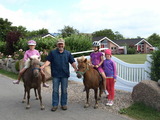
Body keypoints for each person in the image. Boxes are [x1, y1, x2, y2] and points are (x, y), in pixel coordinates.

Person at [40, 38, 77, 112]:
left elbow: (72, 62)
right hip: (56, 75)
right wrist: (43, 66)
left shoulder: (68, 53)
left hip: (64, 75)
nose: (60, 45)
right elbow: (48, 61)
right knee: (55, 90)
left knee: (64, 90)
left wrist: (76, 68)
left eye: (62, 44)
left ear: (64, 45)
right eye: (59, 44)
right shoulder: (52, 53)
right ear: (57, 45)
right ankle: (55, 105)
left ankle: (63, 104)